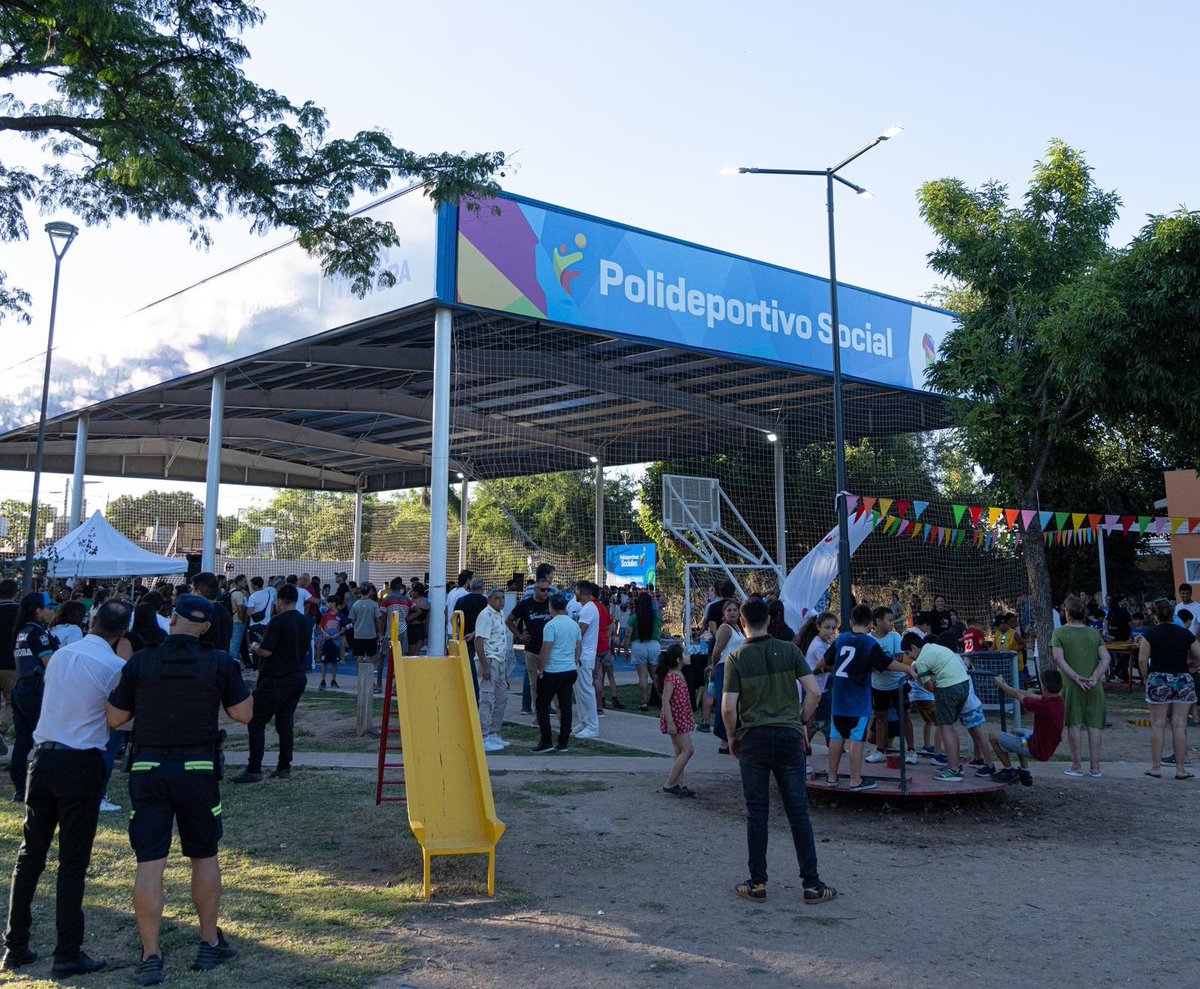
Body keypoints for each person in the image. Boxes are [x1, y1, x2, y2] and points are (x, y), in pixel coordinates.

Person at [105, 594, 252, 984]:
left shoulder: (141, 661)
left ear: (172, 619)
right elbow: (243, 714)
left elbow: (115, 718)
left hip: (148, 767)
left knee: (150, 863)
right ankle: (209, 943)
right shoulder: (219, 662)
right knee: (204, 855)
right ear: (206, 628)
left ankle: (151, 955)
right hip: (198, 769)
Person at [1, 599, 132, 976]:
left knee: (30, 856)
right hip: (80, 762)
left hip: (42, 758)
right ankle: (67, 952)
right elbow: (119, 719)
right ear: (122, 632)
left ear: (92, 621)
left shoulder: (59, 656)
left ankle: (15, 946)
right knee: (72, 863)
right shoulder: (114, 667)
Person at [721, 598, 836, 905]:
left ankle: (757, 883)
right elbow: (814, 692)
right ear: (770, 620)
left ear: (742, 623)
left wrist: (732, 737)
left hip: (754, 739)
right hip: (788, 737)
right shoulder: (790, 650)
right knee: (798, 811)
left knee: (757, 812)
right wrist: (801, 722)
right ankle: (812, 884)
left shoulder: (736, 658)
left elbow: (728, 708)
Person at [827, 606, 916, 791]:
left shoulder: (841, 639)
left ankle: (831, 777)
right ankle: (855, 780)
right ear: (870, 624)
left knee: (836, 736)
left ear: (850, 622)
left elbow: (825, 661)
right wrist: (908, 669)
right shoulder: (868, 642)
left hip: (839, 699)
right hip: (858, 700)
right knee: (856, 738)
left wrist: (818, 669)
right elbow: (887, 663)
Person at [236, 583, 309, 784]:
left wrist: (255, 646)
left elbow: (266, 651)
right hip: (297, 677)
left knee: (256, 720)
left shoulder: (278, 621)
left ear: (280, 600)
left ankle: (254, 769)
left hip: (276, 679)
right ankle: (284, 767)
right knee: (285, 723)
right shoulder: (304, 621)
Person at [1138, 598, 1199, 779]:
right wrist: (1190, 665)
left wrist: (1147, 678)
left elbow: (1142, 659)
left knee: (1158, 724)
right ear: (1173, 614)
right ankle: (1180, 769)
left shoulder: (1150, 634)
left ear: (1156, 615)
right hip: (1182, 678)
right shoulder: (1185, 633)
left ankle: (1156, 767)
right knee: (1179, 724)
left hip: (1158, 678)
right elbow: (1198, 654)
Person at [1052, 594, 1111, 779]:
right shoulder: (1093, 633)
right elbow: (1106, 658)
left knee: (1074, 723)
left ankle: (1077, 766)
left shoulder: (1059, 633)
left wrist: (1076, 677)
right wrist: (1094, 677)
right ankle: (1095, 768)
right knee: (1094, 724)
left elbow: (1058, 659)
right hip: (1094, 685)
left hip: (1071, 685)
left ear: (1067, 613)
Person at [907, 630, 974, 782]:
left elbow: (930, 688)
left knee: (945, 728)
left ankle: (953, 770)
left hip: (948, 688)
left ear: (914, 648)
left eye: (907, 652)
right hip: (963, 685)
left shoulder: (921, 660)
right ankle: (955, 765)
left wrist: (917, 679)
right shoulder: (934, 647)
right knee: (950, 727)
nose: (908, 657)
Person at [10, 592, 58, 802]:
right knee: (45, 737)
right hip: (35, 689)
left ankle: (20, 788)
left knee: (23, 741)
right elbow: (51, 663)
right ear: (38, 610)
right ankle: (43, 784)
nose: (52, 611)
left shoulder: (22, 631)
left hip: (21, 687)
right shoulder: (38, 633)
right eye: (49, 607)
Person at [989, 671, 1066, 786]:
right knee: (1017, 732)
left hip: (1035, 750)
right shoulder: (1058, 701)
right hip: (1040, 744)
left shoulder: (1043, 706)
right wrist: (1006, 686)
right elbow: (1029, 694)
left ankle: (1009, 771)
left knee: (993, 736)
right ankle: (1025, 773)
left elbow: (1017, 695)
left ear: (1045, 687)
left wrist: (1001, 685)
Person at [865, 606, 916, 766]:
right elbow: (867, 661)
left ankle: (911, 750)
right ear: (878, 621)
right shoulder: (868, 638)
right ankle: (880, 750)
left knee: (904, 716)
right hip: (878, 686)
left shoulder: (895, 636)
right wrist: (878, 664)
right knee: (880, 717)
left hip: (897, 684)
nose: (892, 623)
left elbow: (899, 659)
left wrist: (881, 664)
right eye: (889, 620)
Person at [534, 594, 580, 754]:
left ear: (551, 608)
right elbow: (578, 647)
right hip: (569, 669)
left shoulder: (551, 625)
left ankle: (546, 740)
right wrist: (574, 663)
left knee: (542, 705)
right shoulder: (574, 625)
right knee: (565, 705)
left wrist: (541, 669)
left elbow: (546, 649)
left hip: (552, 670)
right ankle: (563, 742)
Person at [474, 588, 511, 753]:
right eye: (497, 598)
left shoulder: (500, 614)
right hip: (490, 658)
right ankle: (483, 735)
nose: (501, 601)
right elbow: (479, 641)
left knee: (502, 697)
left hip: (501, 659)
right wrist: (485, 666)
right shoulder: (486, 615)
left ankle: (494, 731)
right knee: (487, 698)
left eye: (502, 598)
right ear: (489, 600)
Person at [508, 579, 552, 716]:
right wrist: (519, 635)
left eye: (548, 590)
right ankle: (535, 709)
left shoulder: (551, 603)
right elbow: (509, 620)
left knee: (549, 681)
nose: (546, 592)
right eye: (543, 590)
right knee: (533, 683)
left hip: (548, 649)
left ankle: (547, 707)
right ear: (535, 590)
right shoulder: (526, 604)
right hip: (531, 649)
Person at [656, 644, 695, 796]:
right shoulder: (672, 677)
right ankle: (669, 783)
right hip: (675, 719)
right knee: (688, 750)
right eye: (685, 654)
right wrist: (670, 722)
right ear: (678, 660)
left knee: (680, 751)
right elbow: (665, 700)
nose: (688, 656)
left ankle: (678, 783)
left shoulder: (679, 674)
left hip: (680, 717)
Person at [705, 599, 744, 750]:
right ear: (724, 614)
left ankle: (732, 736)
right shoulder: (725, 628)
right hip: (725, 667)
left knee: (734, 703)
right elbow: (717, 651)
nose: (732, 612)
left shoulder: (738, 628)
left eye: (735, 610)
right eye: (729, 610)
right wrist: (714, 667)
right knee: (725, 702)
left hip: (736, 668)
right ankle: (724, 739)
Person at [796, 612, 836, 750]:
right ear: (818, 627)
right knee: (810, 721)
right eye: (827, 627)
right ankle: (803, 748)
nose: (830, 631)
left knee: (814, 722)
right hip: (814, 689)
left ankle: (805, 748)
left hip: (818, 687)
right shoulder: (819, 646)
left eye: (833, 628)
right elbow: (829, 665)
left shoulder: (822, 643)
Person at [571, 582, 601, 740]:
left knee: (585, 690)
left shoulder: (589, 608)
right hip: (581, 655)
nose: (574, 594)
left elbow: (580, 631)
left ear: (581, 592)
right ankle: (584, 722)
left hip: (585, 655)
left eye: (575, 591)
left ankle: (592, 726)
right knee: (579, 691)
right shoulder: (586, 608)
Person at [453, 577, 489, 701]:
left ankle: (466, 697)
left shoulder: (461, 600)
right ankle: (476, 699)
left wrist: (460, 634)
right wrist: (474, 633)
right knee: (479, 674)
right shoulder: (485, 602)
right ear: (482, 588)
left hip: (464, 640)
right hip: (480, 640)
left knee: (467, 671)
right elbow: (485, 623)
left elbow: (454, 619)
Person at [628, 591, 663, 712]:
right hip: (654, 644)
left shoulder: (633, 617)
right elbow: (659, 628)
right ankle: (663, 700)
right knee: (655, 676)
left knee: (642, 676)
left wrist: (626, 648)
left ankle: (644, 702)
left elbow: (628, 635)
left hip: (638, 645)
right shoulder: (657, 616)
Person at [346, 585, 383, 691]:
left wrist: (358, 626)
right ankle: (370, 681)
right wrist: (380, 632)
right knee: (371, 657)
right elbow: (378, 620)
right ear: (369, 592)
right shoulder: (374, 604)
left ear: (360, 592)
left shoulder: (355, 604)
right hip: (370, 634)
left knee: (359, 657)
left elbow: (352, 620)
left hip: (358, 635)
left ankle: (361, 679)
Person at [192, 572, 232, 653]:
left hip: (204, 658)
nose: (191, 593)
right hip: (221, 657)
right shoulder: (224, 611)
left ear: (199, 592)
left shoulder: (201, 614)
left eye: (193, 590)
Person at [0, 579, 18, 758]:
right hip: (12, 663)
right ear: (16, 592)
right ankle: (1, 729)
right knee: (10, 702)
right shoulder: (19, 612)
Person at [317, 598, 345, 689]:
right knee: (324, 662)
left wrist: (337, 635)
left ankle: (333, 680)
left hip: (335, 642)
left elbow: (344, 628)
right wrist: (325, 634)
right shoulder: (325, 615)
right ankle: (323, 681)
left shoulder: (340, 615)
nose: (327, 604)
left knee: (334, 662)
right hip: (326, 641)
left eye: (328, 603)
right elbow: (320, 627)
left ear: (333, 603)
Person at [228, 575, 248, 667]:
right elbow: (240, 609)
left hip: (232, 620)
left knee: (233, 643)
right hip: (238, 621)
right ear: (238, 582)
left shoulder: (231, 592)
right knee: (236, 644)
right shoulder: (239, 594)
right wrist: (243, 620)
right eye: (244, 581)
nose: (246, 583)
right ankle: (233, 665)